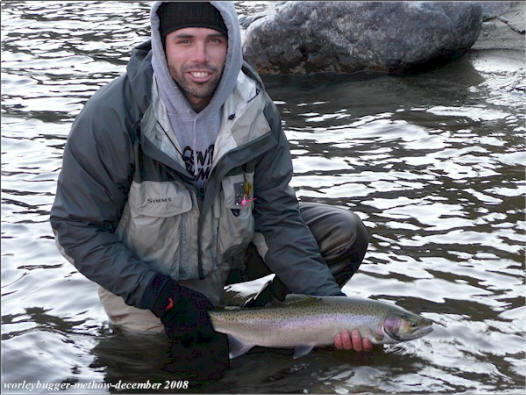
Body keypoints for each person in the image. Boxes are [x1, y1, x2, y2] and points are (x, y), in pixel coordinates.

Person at [50, 1, 370, 380]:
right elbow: (75, 228)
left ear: (232, 43)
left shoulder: (255, 111)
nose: (200, 56)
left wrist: (331, 311)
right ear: (161, 44)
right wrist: (163, 298)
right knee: (165, 373)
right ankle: (234, 344)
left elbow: (278, 217)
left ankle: (261, 327)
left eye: (214, 41)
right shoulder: (112, 116)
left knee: (342, 232)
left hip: (224, 256)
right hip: (146, 281)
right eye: (185, 41)